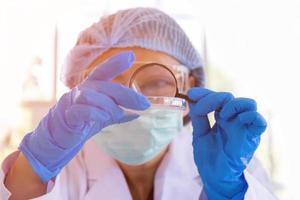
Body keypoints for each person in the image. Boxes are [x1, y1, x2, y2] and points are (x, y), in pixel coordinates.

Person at [1, 7, 277, 200]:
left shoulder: (235, 168)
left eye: (157, 82)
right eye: (110, 85)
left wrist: (228, 192)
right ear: (80, 93)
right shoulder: (63, 172)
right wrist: (31, 168)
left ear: (191, 86)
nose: (134, 101)